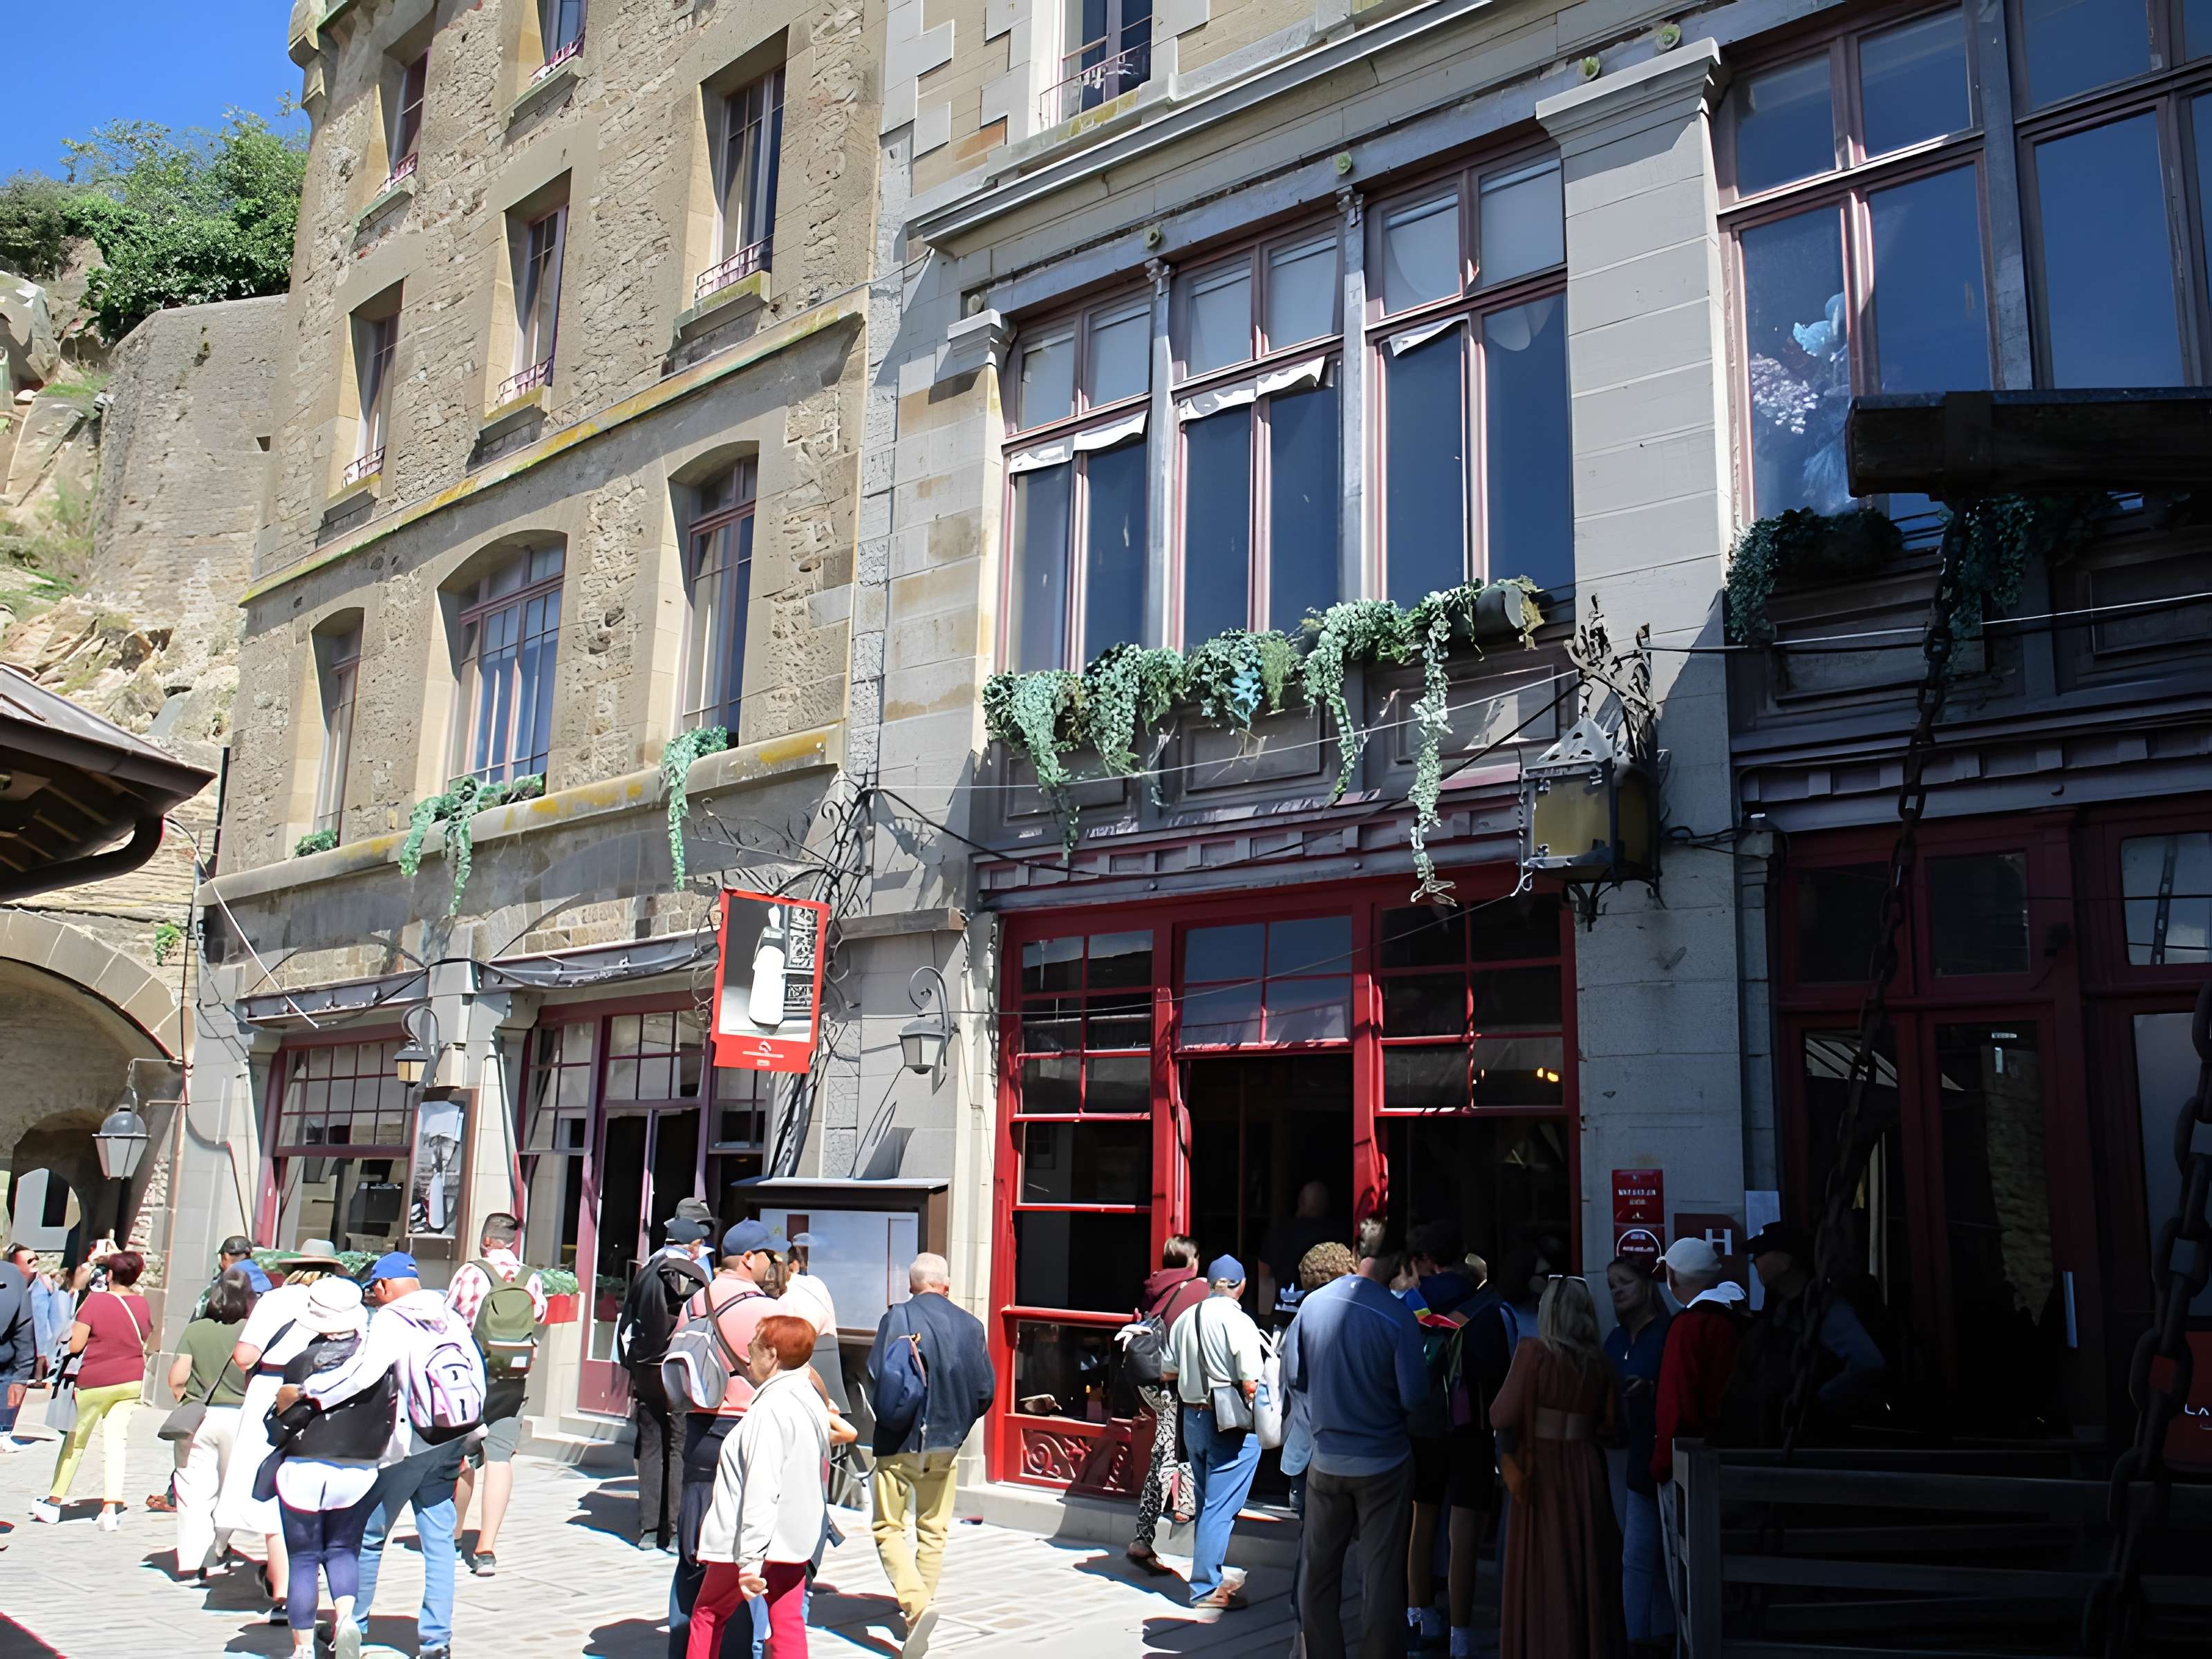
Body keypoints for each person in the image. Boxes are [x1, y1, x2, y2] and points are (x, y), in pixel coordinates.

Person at [320, 1252, 487, 1659]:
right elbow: (476, 1374)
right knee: (440, 1542)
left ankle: (352, 1631)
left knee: (369, 1536)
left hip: (406, 1445)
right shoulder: (450, 1315)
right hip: (450, 1437)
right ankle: (436, 1642)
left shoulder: (391, 1320)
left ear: (382, 1286)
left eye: (374, 1290)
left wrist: (316, 1394)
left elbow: (363, 1374)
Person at [1282, 1237, 1424, 1659]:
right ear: (1398, 1265)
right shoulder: (1398, 1315)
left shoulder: (1312, 1306)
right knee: (1381, 1579)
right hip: (1384, 1460)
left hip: (1326, 1459)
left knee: (1318, 1576)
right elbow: (1414, 1397)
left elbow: (1294, 1376)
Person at [670, 1220, 789, 1659]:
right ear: (750, 1259)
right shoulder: (761, 1311)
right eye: (769, 1257)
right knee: (737, 1553)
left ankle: (684, 1645)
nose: (772, 1265)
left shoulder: (696, 1301)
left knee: (694, 1549)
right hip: (743, 1431)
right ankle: (734, 1650)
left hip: (699, 1431)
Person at [1490, 1276, 1627, 1659]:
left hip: (1541, 1472)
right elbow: (1613, 1429)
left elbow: (1500, 1414)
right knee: (1586, 1569)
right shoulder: (1600, 1363)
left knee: (1541, 1572)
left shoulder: (1533, 1353)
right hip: (1586, 1471)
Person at [867, 1252, 994, 1659]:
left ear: (911, 1284)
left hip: (897, 1444)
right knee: (933, 1531)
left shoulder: (898, 1317)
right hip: (945, 1445)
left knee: (888, 1527)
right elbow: (984, 1392)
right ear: (947, 1286)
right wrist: (957, 1427)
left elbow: (878, 1374)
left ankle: (916, 1604)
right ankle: (916, 1614)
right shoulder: (972, 1326)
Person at [688, 1314, 832, 1659]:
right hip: (793, 1540)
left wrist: (750, 1560)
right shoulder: (808, 1397)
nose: (748, 1351)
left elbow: (761, 1487)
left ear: (773, 1354)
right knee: (787, 1624)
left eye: (754, 1344)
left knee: (707, 1615)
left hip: (752, 1542)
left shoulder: (770, 1408)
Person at [223, 1241, 351, 1624]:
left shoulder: (277, 1300)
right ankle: (315, 1583)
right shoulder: (345, 1300)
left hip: (273, 1389)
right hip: (328, 1394)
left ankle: (283, 1593)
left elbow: (245, 1356)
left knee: (273, 1490)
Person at [1402, 1220, 1512, 1658]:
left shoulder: (1407, 1304)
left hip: (1422, 1427)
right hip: (1474, 1431)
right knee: (1464, 1534)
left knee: (1421, 1523)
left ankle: (1421, 1616)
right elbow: (1502, 1373)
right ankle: (1461, 1637)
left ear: (1425, 1260)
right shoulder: (1491, 1306)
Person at [269, 1276, 382, 1659]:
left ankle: (302, 1648)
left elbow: (281, 1419)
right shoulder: (375, 1361)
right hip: (357, 1469)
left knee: (302, 1558)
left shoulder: (301, 1362)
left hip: (303, 1466)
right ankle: (347, 1619)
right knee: (343, 1551)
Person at [1721, 1221, 1886, 1449]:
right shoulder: (1780, 1311)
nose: (1755, 1260)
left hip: (1820, 1443)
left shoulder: (1827, 1309)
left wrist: (1817, 1404)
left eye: (1762, 1252)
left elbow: (1868, 1362)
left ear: (1785, 1261)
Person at [1161, 1254, 1266, 1612]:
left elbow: (1168, 1372)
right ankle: (1205, 1588)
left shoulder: (1186, 1317)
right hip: (1228, 1423)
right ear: (1241, 1286)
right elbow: (1251, 1384)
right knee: (1220, 1508)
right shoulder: (1240, 1322)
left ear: (1208, 1284)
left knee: (1209, 1504)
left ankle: (1210, 1576)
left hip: (1192, 1418)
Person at [444, 1212, 547, 1577]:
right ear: (513, 1242)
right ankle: (486, 1548)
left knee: (464, 1455)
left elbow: (450, 1319)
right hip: (513, 1376)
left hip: (472, 1375)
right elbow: (539, 1316)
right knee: (501, 1458)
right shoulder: (530, 1278)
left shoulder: (471, 1273)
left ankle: (453, 1536)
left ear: (486, 1240)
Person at [1649, 1237, 1745, 1625]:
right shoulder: (1735, 1317)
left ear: (1673, 1276)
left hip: (1690, 1465)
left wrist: (1660, 1465)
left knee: (1689, 1580)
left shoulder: (1690, 1326)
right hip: (1732, 1452)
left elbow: (1678, 1406)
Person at [32, 1245, 153, 1529]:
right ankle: (111, 1507)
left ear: (109, 1274)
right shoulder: (143, 1304)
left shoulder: (95, 1303)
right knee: (116, 1442)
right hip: (130, 1379)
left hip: (95, 1379)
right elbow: (148, 1336)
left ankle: (54, 1500)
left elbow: (76, 1345)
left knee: (76, 1440)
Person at [619, 1213, 715, 1552]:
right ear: (692, 1246)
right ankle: (674, 1530)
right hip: (677, 1370)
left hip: (645, 1368)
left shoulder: (646, 1270)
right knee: (678, 1446)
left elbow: (627, 1320)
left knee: (651, 1444)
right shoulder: (693, 1274)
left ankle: (648, 1528)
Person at [1602, 1259, 1672, 1656]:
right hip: (1617, 1454)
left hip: (1656, 1455)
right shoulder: (1613, 1340)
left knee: (1643, 1553)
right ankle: (1656, 1630)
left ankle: (1639, 1638)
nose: (1617, 1291)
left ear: (1647, 1286)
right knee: (1636, 1546)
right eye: (1611, 1285)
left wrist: (1651, 1389)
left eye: (1625, 1282)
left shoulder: (1666, 1334)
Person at [1127, 1233, 1208, 1575]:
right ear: (1193, 1260)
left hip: (1150, 1380)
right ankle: (1143, 1539)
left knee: (1172, 1445)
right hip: (1174, 1381)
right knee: (1169, 1453)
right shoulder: (1197, 1289)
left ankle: (1182, 1507)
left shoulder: (1155, 1286)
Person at [171, 1264, 258, 1580]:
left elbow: (177, 1378)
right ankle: (218, 1547)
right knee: (232, 1489)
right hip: (241, 1418)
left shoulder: (196, 1330)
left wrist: (187, 1400)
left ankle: (190, 1562)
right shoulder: (253, 1332)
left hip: (200, 1416)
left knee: (192, 1491)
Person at [1259, 1183, 1348, 1331]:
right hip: (1324, 1318)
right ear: (1326, 1206)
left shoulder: (1277, 1234)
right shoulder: (1338, 1237)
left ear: (1300, 1202)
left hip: (1282, 1316)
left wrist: (1264, 1316)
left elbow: (1265, 1278)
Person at [0, 1244, 35, 1458]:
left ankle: (3, 1431)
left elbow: (24, 1327)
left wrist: (21, 1376)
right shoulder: (12, 1276)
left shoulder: (11, 1276)